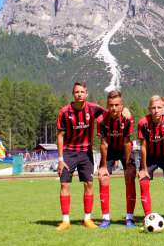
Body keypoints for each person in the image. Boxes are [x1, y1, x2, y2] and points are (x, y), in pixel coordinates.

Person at [56, 82, 105, 231]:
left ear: (86, 93)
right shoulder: (64, 112)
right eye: (76, 92)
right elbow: (60, 135)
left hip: (86, 153)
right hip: (69, 152)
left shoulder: (93, 108)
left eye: (82, 91)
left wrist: (126, 111)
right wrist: (60, 159)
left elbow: (110, 112)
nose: (79, 94)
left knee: (89, 184)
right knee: (64, 184)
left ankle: (87, 219)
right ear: (73, 94)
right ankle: (65, 221)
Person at [137, 95, 164, 230]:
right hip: (150, 156)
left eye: (159, 107)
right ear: (149, 109)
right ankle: (147, 218)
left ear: (163, 108)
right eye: (153, 108)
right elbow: (143, 147)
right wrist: (143, 168)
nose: (156, 110)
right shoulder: (143, 123)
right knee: (143, 182)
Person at [97, 90, 137, 229]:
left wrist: (127, 165)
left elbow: (127, 142)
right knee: (103, 177)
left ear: (121, 106)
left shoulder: (127, 119)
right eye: (111, 105)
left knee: (130, 177)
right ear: (107, 105)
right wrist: (103, 165)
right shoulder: (102, 120)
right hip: (109, 149)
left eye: (117, 105)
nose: (113, 108)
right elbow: (103, 143)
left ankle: (130, 218)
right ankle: (105, 218)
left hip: (124, 149)